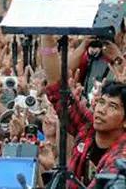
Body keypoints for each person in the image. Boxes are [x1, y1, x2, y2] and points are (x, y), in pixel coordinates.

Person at [42, 35, 126, 188]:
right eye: (101, 102)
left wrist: (119, 60)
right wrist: (47, 37)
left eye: (112, 106)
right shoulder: (87, 127)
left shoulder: (122, 156)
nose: (101, 110)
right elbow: (56, 86)